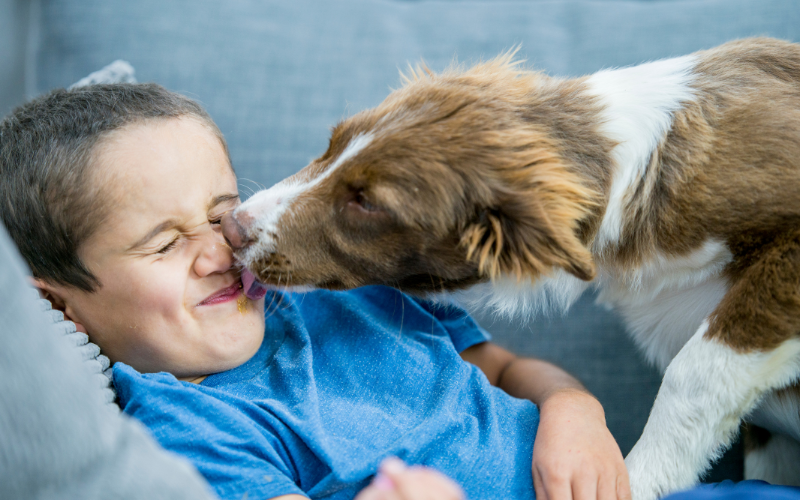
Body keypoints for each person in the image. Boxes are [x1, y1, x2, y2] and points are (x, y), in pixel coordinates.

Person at [0, 83, 629, 500]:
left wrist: (575, 413)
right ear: (58, 306)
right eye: (164, 244)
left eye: (224, 213)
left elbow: (509, 369)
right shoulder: (186, 428)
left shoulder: (346, 289)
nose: (223, 251)